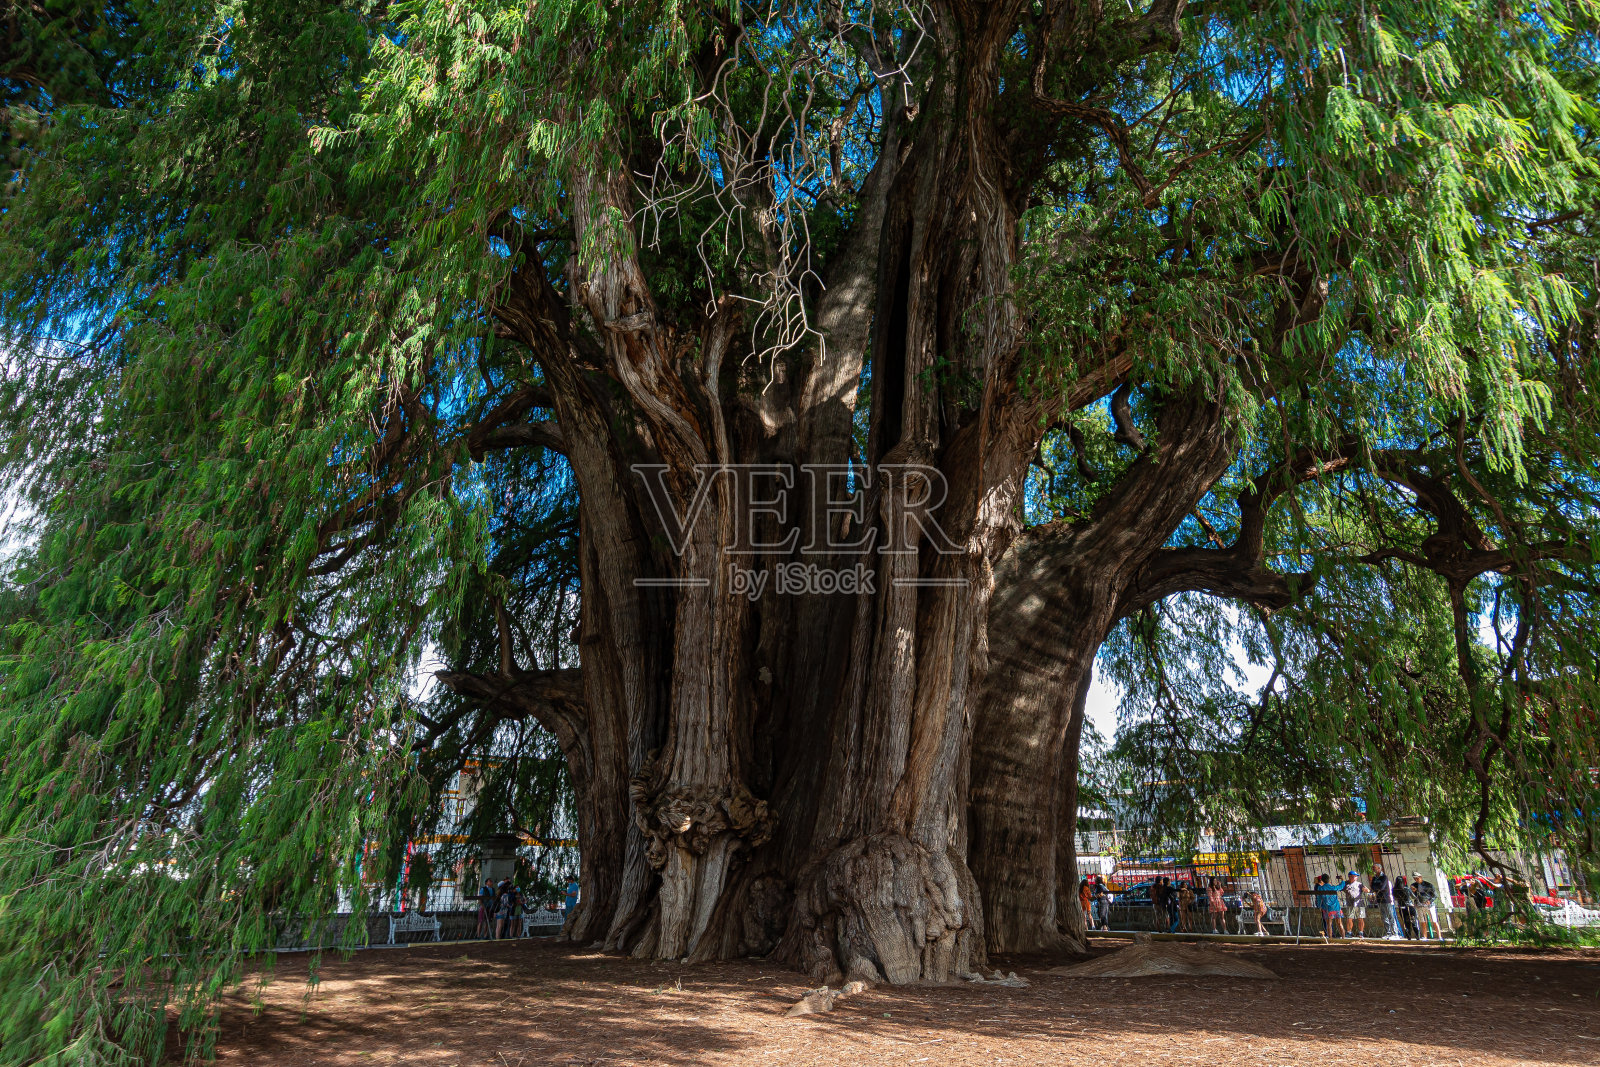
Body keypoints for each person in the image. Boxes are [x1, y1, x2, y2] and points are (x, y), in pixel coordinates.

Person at [1371, 865, 1398, 938]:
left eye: (1374, 867)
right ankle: (1388, 933)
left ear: (1379, 868)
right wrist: (1376, 887)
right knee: (1384, 917)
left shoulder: (1384, 877)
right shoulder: (1374, 878)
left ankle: (1395, 933)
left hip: (1386, 899)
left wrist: (1376, 887)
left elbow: (1382, 887)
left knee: (1390, 916)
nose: (1373, 869)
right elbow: (1372, 887)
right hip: (1379, 899)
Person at [1412, 873, 1441, 939]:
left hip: (1429, 905)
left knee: (1434, 921)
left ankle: (1439, 937)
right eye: (1415, 879)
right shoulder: (1414, 885)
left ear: (1421, 877)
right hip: (1419, 905)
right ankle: (1425, 937)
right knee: (1423, 922)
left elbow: (1435, 895)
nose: (1416, 880)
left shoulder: (1428, 885)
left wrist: (1430, 901)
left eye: (1417, 878)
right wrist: (1413, 892)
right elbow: (1413, 896)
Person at [1314, 874, 1342, 938]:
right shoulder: (1332, 887)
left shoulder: (1320, 888)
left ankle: (1330, 937)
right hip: (1336, 907)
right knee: (1339, 923)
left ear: (1322, 880)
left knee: (1328, 923)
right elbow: (1340, 887)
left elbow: (1318, 898)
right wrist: (1342, 880)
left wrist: (1319, 906)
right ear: (1329, 880)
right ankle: (1342, 937)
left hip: (1326, 908)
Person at [1393, 873, 1419, 939]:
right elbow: (1414, 897)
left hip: (1401, 907)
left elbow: (1395, 898)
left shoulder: (1394, 890)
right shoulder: (1407, 889)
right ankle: (1417, 936)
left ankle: (1408, 937)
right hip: (1409, 907)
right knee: (1414, 921)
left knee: (1406, 923)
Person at [1341, 871, 1366, 938]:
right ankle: (1349, 932)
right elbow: (1340, 888)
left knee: (1360, 918)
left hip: (1359, 903)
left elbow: (1365, 889)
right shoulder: (1345, 883)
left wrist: (1366, 890)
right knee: (1349, 918)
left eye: (1356, 876)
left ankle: (1361, 933)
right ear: (1350, 877)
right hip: (1350, 903)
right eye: (1354, 876)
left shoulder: (1359, 884)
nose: (1355, 877)